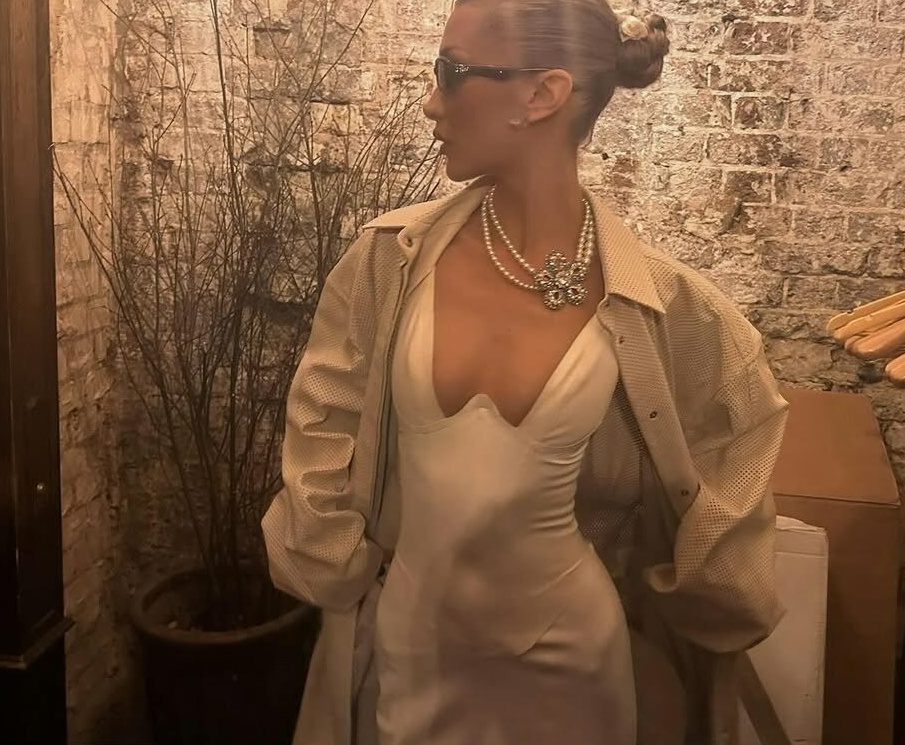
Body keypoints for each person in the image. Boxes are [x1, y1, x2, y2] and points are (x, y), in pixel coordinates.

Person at [261, 2, 790, 745]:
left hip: (571, 668)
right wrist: (332, 558)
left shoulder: (671, 310)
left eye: (451, 72)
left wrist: (681, 606)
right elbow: (324, 413)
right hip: (412, 645)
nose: (430, 101)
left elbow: (735, 466)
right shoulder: (389, 262)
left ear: (542, 94)